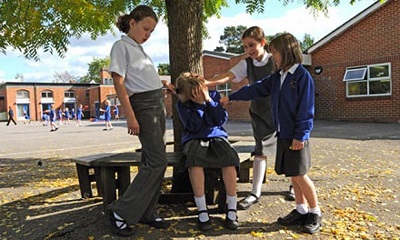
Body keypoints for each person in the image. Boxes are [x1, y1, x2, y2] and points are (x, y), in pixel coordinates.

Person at [220, 33, 322, 234]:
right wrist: (232, 97)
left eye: (275, 52)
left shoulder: (302, 76)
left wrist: (300, 135)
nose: (273, 56)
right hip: (283, 133)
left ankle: (315, 212)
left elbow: (306, 109)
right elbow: (255, 89)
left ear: (286, 51)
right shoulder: (278, 76)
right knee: (293, 174)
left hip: (296, 136)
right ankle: (300, 210)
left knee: (300, 175)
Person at [206, 26, 293, 210]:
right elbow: (228, 76)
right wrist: (209, 82)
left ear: (263, 43)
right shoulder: (247, 63)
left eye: (251, 45)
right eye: (245, 47)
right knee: (261, 151)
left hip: (279, 112)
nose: (248, 50)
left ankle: (295, 185)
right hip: (260, 113)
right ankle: (255, 193)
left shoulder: (275, 60)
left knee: (288, 149)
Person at [107, 5, 175, 237]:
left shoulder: (138, 49)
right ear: (132, 23)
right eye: (145, 28)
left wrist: (163, 86)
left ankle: (146, 210)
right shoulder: (121, 46)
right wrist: (131, 116)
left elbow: (142, 78)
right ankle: (121, 211)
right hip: (144, 107)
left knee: (152, 160)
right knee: (158, 162)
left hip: (155, 104)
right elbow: (119, 82)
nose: (147, 34)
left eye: (151, 31)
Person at [175, 72, 240, 231]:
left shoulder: (212, 95)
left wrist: (208, 101)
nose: (193, 95)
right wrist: (198, 105)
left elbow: (219, 119)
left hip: (216, 136)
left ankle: (232, 208)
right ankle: (202, 209)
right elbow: (194, 126)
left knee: (230, 159)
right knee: (195, 162)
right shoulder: (183, 104)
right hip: (194, 138)